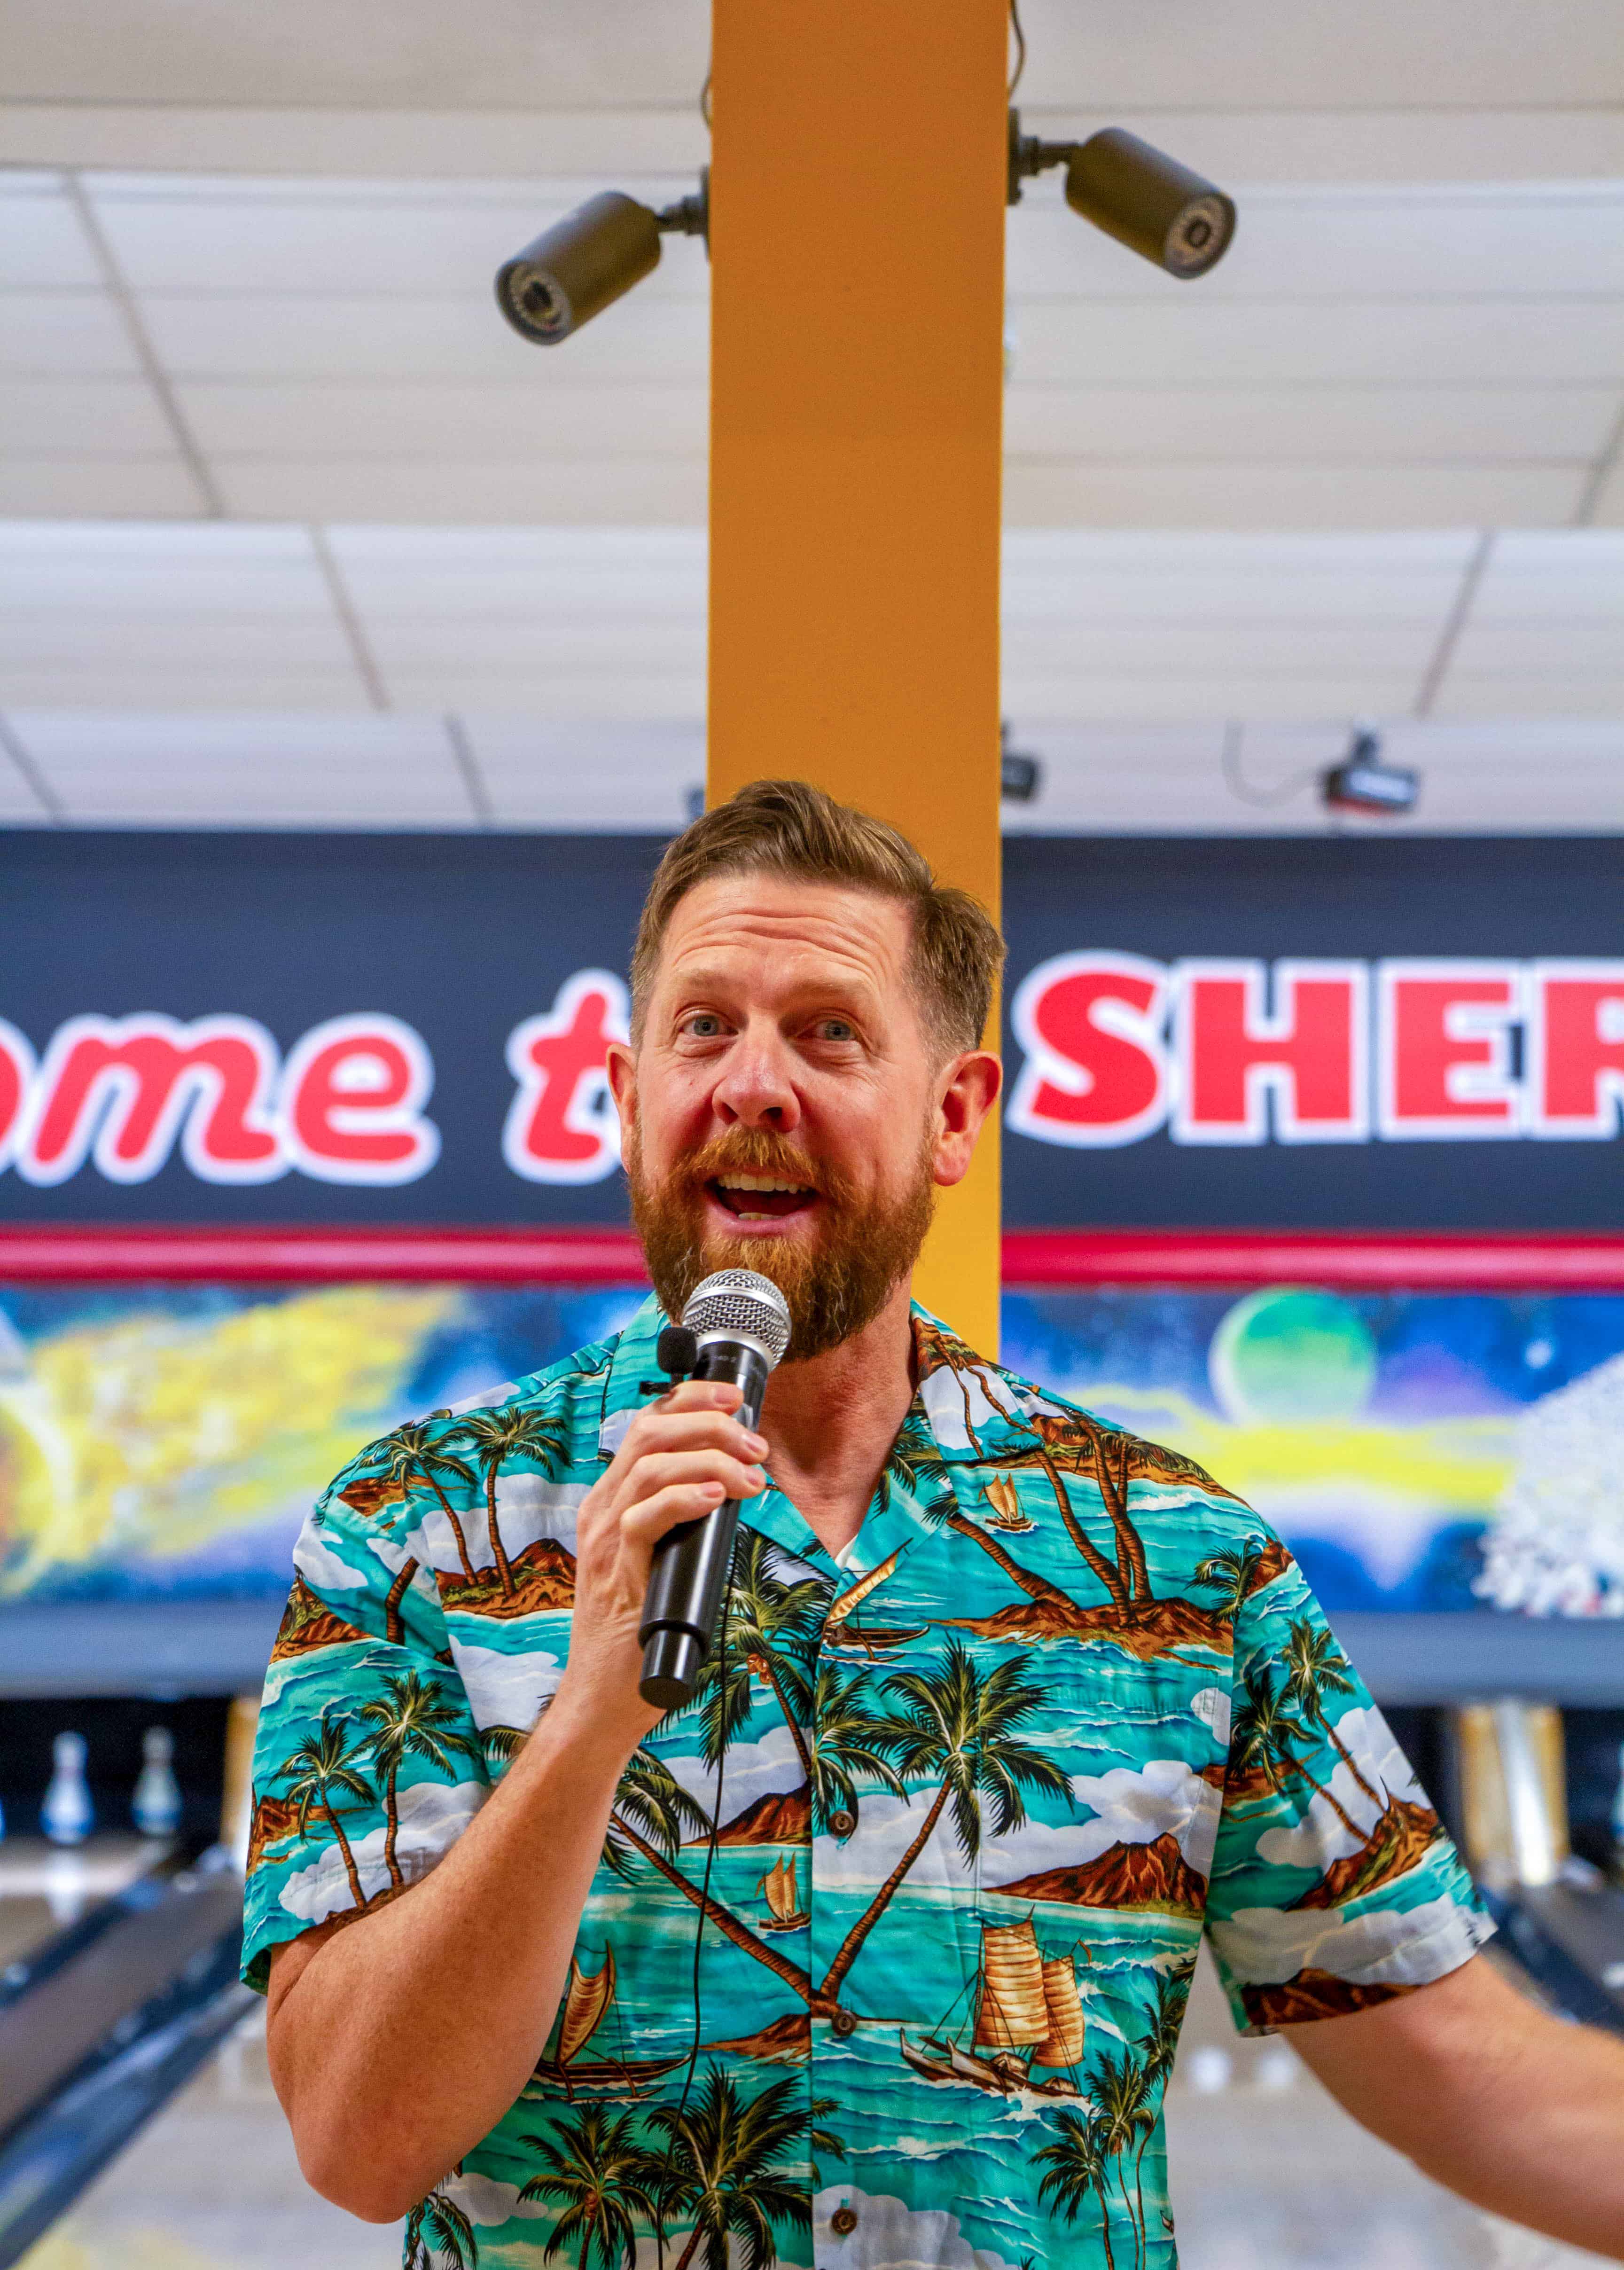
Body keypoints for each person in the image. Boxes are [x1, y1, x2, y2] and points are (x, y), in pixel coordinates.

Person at [246, 779, 1624, 2270]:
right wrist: (590, 1717)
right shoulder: (415, 1525)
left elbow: (1483, 2078)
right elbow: (359, 2139)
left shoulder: (1179, 1557)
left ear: (955, 1114)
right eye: (703, 1027)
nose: (754, 1083)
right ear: (627, 1096)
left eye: (829, 1033)